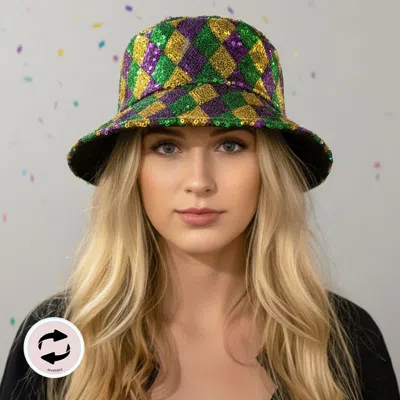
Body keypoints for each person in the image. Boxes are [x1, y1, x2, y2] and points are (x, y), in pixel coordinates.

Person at [1, 15, 399, 400]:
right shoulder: (56, 339)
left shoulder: (346, 340)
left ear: (270, 170)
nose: (199, 181)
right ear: (131, 173)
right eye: (166, 147)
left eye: (230, 145)